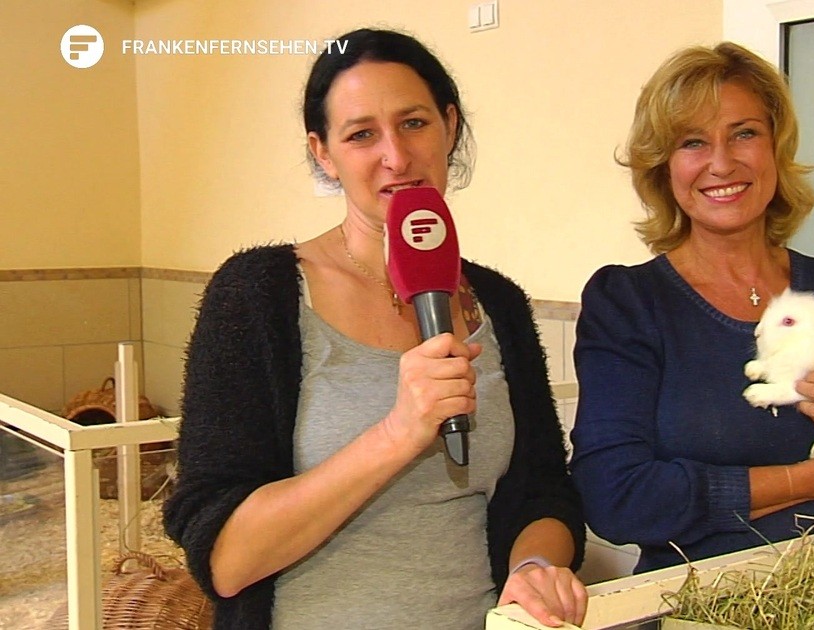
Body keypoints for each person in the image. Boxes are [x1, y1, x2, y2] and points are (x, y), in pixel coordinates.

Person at [163, 28, 586, 630]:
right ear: (323, 153)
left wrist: (535, 566)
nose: (396, 155)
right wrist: (398, 433)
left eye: (414, 123)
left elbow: (542, 491)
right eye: (361, 134)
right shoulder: (257, 295)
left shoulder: (498, 303)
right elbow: (225, 559)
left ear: (449, 126)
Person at [569, 42, 814, 625]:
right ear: (663, 166)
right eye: (692, 142)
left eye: (744, 134)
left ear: (776, 148)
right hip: (693, 612)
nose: (721, 163)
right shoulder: (628, 302)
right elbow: (616, 498)